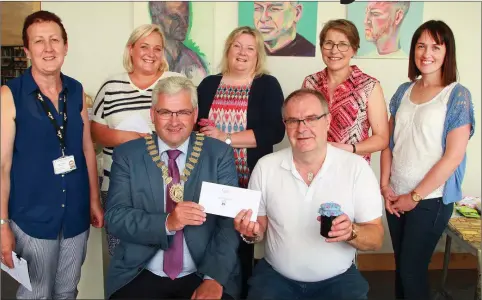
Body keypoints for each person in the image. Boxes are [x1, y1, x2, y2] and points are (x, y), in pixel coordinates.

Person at [235, 89, 384, 300]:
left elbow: (376, 238)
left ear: (328, 121)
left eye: (311, 118)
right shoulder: (266, 166)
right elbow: (258, 228)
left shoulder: (356, 168)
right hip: (276, 277)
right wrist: (250, 232)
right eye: (293, 120)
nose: (302, 128)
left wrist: (352, 232)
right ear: (285, 125)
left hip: (339, 278)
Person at [104, 76, 241, 300]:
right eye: (165, 112)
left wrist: (213, 278)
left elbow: (228, 221)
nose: (174, 121)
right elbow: (115, 217)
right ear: (152, 115)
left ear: (195, 114)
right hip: (140, 271)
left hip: (203, 271)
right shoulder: (128, 155)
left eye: (183, 112)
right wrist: (167, 222)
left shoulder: (218, 154)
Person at [0, 10, 103, 299]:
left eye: (55, 40)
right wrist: (2, 224)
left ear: (66, 46)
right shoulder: (10, 95)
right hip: (32, 217)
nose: (48, 48)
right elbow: (2, 166)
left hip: (75, 215)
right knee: (37, 293)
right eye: (39, 41)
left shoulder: (76, 90)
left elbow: (86, 149)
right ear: (27, 50)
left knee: (68, 290)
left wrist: (94, 200)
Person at [380, 20, 475, 300]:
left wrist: (415, 196)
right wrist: (385, 187)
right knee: (401, 268)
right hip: (396, 195)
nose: (427, 53)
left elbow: (453, 156)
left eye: (435, 46)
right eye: (421, 46)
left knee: (412, 271)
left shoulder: (457, 95)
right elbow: (388, 143)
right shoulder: (403, 91)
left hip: (430, 200)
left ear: (448, 52)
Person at [196, 25, 285, 298]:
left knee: (241, 242)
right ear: (228, 50)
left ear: (258, 55)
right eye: (237, 45)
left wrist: (224, 137)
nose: (243, 52)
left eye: (250, 48)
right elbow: (195, 128)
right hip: (210, 179)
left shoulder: (267, 85)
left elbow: (273, 132)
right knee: (206, 240)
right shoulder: (209, 84)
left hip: (248, 180)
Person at [91, 24, 183, 256]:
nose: (151, 54)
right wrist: (124, 138)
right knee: (121, 253)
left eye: (157, 48)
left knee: (164, 253)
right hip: (117, 184)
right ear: (131, 49)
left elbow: (189, 128)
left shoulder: (176, 83)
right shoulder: (111, 86)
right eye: (144, 46)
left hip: (165, 185)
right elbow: (95, 131)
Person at [302, 19, 389, 164]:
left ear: (354, 49)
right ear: (322, 47)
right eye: (328, 43)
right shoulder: (310, 83)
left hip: (352, 168)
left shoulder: (369, 86)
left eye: (342, 44)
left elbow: (382, 138)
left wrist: (349, 148)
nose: (334, 50)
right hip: (313, 166)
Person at [149, 1, 208, 85]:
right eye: (175, 17)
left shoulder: (193, 61)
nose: (184, 24)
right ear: (156, 18)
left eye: (186, 18)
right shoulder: (148, 58)